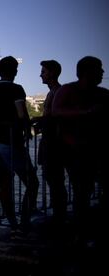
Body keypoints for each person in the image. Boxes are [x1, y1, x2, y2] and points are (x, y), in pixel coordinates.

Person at [52, 56, 108, 241]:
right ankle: (80, 232)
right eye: (99, 69)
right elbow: (57, 112)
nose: (103, 73)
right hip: (75, 149)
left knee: (85, 191)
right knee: (81, 191)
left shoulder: (102, 94)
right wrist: (87, 113)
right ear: (86, 72)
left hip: (96, 148)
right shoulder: (68, 90)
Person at [0, 56, 39, 231]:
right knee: (32, 182)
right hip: (10, 140)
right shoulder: (16, 89)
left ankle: (12, 224)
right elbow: (21, 113)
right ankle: (24, 221)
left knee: (4, 183)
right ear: (15, 71)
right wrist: (27, 129)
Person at [36, 60, 67, 222]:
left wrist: (37, 120)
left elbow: (56, 118)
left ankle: (59, 216)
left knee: (55, 180)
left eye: (44, 71)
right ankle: (58, 214)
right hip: (49, 142)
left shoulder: (58, 92)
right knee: (52, 178)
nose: (41, 74)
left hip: (54, 143)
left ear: (52, 73)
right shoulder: (51, 93)